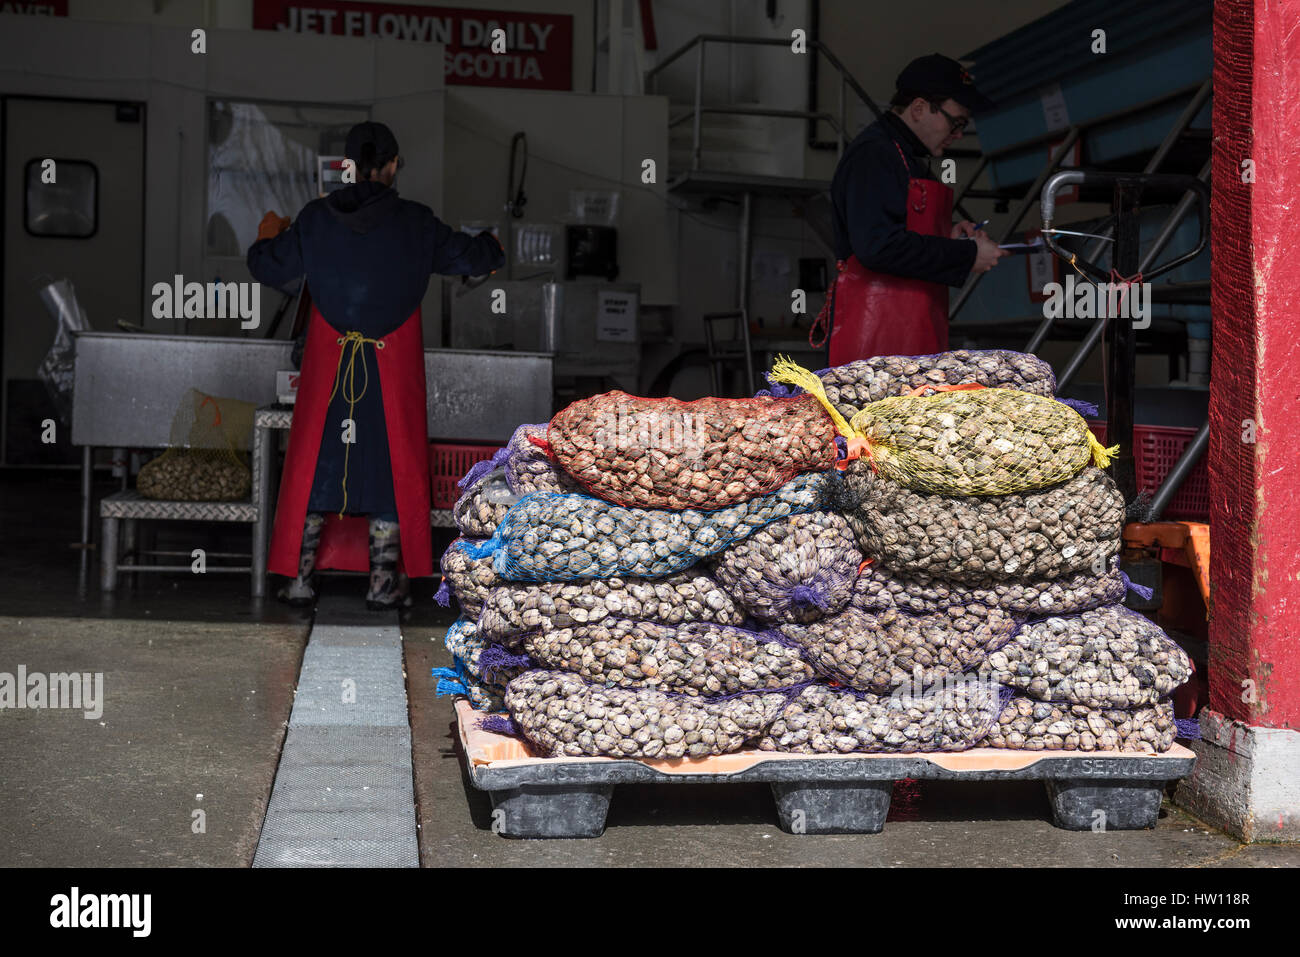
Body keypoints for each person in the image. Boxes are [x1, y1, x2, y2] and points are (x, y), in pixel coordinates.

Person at [248, 121, 504, 610]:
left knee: (316, 465)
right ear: (391, 165)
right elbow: (471, 257)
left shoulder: (315, 219)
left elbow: (268, 266)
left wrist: (267, 236)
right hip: (390, 369)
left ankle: (299, 581)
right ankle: (383, 585)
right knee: (389, 466)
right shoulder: (416, 222)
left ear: (348, 165)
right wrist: (493, 244)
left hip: (329, 368)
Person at [812, 53, 1008, 365]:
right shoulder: (876, 155)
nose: (958, 134)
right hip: (873, 345)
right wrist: (967, 255)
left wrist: (950, 234)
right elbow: (878, 245)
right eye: (956, 122)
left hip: (909, 336)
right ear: (918, 108)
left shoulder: (906, 157)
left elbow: (900, 230)